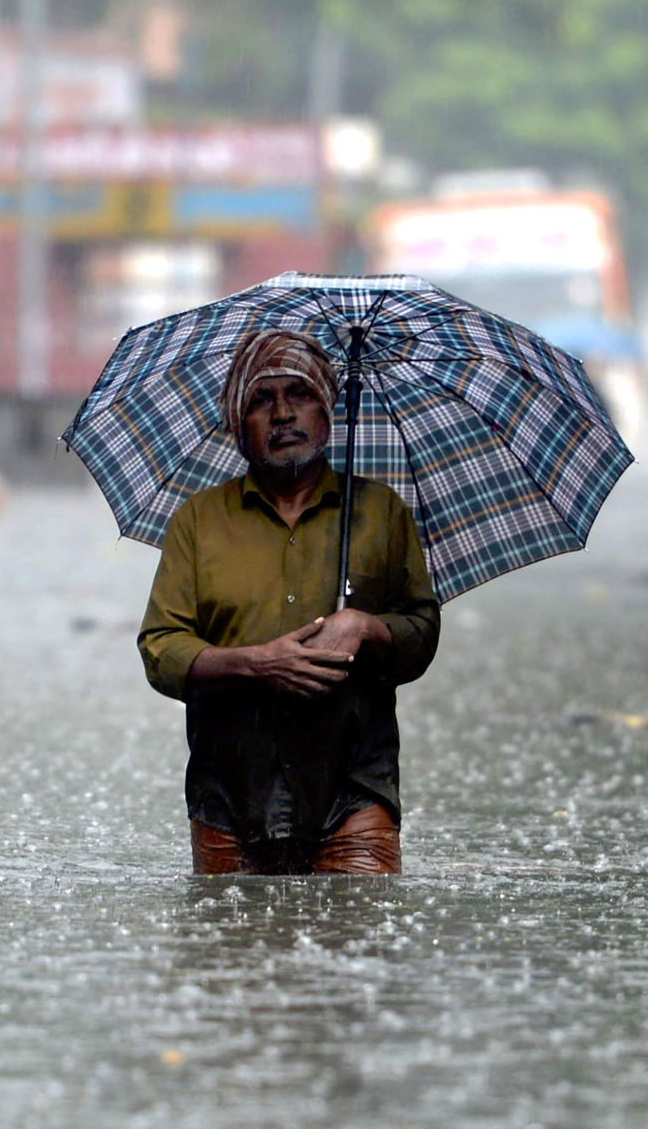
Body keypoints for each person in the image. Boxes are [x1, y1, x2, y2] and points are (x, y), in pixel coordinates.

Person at [137, 330, 440, 874]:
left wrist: (365, 626)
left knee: (359, 944)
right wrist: (257, 664)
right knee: (230, 949)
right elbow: (161, 650)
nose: (282, 414)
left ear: (328, 412)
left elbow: (421, 634)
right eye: (261, 400)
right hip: (229, 794)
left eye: (299, 394)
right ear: (237, 423)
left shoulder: (379, 513)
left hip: (353, 791)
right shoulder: (199, 521)